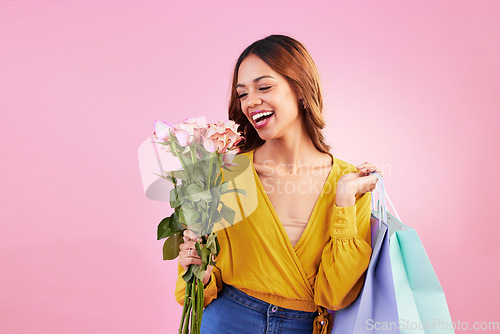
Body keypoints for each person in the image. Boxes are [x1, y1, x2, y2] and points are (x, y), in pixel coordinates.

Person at [175, 34, 382, 334]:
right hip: (226, 320)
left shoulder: (348, 183)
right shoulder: (223, 173)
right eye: (242, 93)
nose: (251, 102)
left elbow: (335, 295)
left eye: (264, 87)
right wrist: (196, 269)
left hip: (303, 326)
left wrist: (345, 198)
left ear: (300, 88)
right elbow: (193, 291)